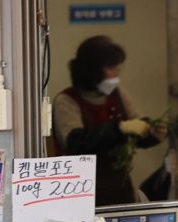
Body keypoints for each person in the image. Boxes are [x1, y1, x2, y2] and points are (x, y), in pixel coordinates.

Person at [53, 35, 169, 205]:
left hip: (119, 189)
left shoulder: (117, 94)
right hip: (82, 192)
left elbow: (137, 129)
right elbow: (76, 141)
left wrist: (152, 132)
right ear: (91, 70)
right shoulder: (66, 101)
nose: (117, 72)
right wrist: (119, 128)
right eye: (111, 67)